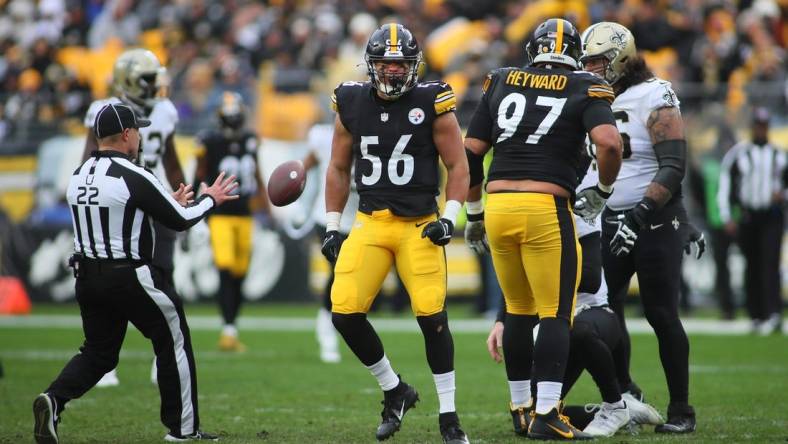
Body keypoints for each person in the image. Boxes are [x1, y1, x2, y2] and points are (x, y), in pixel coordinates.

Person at [33, 103, 238, 443]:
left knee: (98, 353)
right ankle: (183, 430)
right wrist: (210, 199)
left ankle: (53, 400)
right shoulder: (133, 173)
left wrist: (163, 201)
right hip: (127, 276)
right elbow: (181, 220)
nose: (140, 136)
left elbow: (121, 210)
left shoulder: (80, 173)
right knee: (173, 337)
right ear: (127, 134)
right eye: (138, 130)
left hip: (86, 276)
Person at [464, 18, 623, 440]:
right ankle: (547, 411)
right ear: (574, 51)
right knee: (555, 312)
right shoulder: (585, 84)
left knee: (517, 309)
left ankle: (520, 407)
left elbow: (470, 151)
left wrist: (475, 212)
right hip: (544, 205)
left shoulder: (500, 79)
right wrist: (604, 189)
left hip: (498, 204)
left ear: (533, 51)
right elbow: (609, 143)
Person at [322, 23, 471, 444]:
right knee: (345, 312)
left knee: (432, 318)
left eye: (400, 63)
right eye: (385, 63)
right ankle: (395, 390)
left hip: (419, 225)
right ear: (370, 65)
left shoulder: (432, 100)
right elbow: (337, 167)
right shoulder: (350, 100)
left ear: (413, 66)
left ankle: (449, 417)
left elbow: (458, 166)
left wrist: (451, 217)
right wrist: (334, 225)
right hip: (371, 221)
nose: (391, 71)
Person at [485, 162, 664, 438]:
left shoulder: (574, 215)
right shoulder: (529, 219)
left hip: (592, 311)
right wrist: (501, 320)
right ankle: (624, 408)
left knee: (576, 328)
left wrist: (543, 276)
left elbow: (591, 278)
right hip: (554, 318)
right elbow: (517, 285)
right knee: (532, 416)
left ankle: (614, 402)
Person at [580, 21, 695, 433]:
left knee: (661, 313)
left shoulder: (655, 93)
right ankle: (626, 393)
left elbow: (674, 164)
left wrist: (642, 213)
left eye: (597, 61)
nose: (590, 68)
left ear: (621, 58)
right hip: (606, 217)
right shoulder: (591, 95)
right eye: (586, 61)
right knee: (603, 312)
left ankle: (682, 410)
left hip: (654, 218)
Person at [83, 48, 184, 387]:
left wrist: (186, 195)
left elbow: (171, 160)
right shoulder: (104, 112)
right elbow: (89, 158)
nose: (157, 85)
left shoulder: (165, 111)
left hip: (155, 199)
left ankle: (165, 354)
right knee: (118, 277)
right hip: (120, 202)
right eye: (150, 79)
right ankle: (105, 360)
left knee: (163, 274)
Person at [193, 91, 273, 351]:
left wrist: (267, 206)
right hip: (220, 215)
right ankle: (228, 329)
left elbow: (257, 172)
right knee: (226, 269)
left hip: (244, 214)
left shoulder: (251, 140)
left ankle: (232, 328)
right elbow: (200, 175)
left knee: (239, 273)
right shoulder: (210, 142)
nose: (235, 122)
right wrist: (196, 207)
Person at [718, 107, 786, 335]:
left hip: (772, 216)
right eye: (757, 125)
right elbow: (725, 185)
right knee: (752, 265)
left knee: (770, 263)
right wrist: (727, 215)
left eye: (764, 126)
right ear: (752, 127)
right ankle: (756, 314)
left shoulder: (780, 155)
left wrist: (783, 195)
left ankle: (773, 313)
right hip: (747, 216)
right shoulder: (738, 154)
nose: (760, 129)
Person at [301, 121, 360, 363]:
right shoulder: (324, 136)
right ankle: (327, 328)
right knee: (339, 274)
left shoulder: (379, 130)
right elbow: (304, 166)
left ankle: (335, 325)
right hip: (328, 218)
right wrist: (295, 195)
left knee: (352, 280)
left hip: (362, 220)